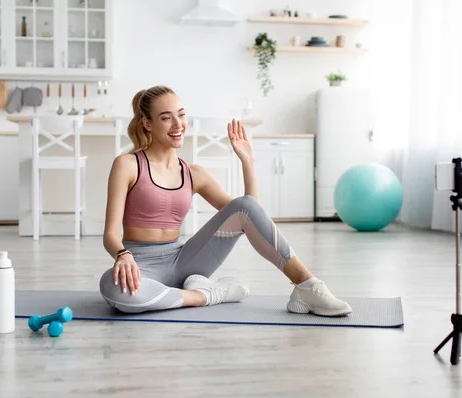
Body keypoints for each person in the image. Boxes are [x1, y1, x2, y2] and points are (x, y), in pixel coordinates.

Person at [98, 85, 352, 317]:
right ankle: (211, 294)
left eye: (181, 114)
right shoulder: (127, 165)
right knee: (113, 288)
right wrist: (123, 255)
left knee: (244, 206)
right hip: (140, 266)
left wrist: (248, 162)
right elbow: (110, 234)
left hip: (185, 262)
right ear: (148, 123)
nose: (178, 124)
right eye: (166, 118)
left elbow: (249, 214)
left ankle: (308, 287)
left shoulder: (193, 173)